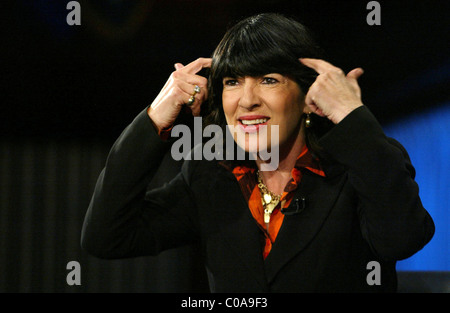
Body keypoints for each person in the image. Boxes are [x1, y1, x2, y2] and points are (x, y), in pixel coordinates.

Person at [81, 13, 434, 292]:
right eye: (232, 81)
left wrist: (352, 119)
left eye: (269, 79)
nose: (247, 100)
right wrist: (156, 117)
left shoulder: (361, 165)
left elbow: (401, 240)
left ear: (308, 96)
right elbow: (106, 236)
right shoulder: (210, 176)